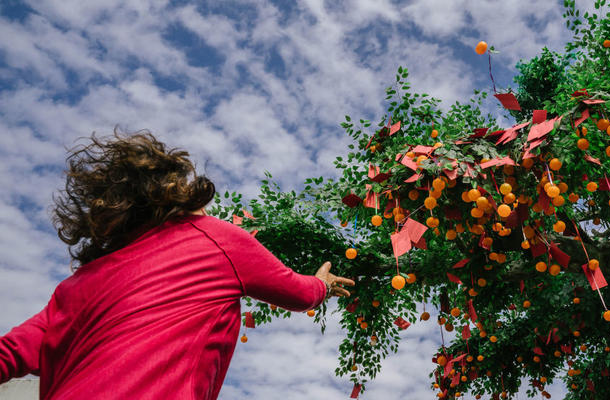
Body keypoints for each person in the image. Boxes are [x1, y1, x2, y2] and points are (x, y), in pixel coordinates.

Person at [0, 131, 354, 399]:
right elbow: (298, 292)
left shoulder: (73, 287)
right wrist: (321, 283)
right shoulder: (214, 238)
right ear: (173, 195)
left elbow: (10, 354)